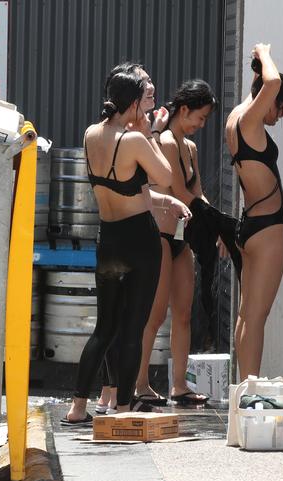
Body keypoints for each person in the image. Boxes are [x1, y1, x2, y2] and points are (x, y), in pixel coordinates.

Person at [63, 63, 191, 424]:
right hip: (139, 240)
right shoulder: (134, 140)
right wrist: (150, 133)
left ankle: (76, 408)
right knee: (132, 328)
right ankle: (121, 408)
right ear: (133, 103)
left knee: (104, 329)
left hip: (108, 238)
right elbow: (165, 177)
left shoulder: (91, 134)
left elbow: (137, 187)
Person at [133, 79, 223, 406]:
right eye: (199, 117)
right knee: (155, 315)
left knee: (183, 312)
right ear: (183, 110)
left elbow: (197, 193)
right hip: (160, 234)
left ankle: (179, 385)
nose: (201, 124)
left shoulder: (190, 147)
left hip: (182, 238)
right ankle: (139, 382)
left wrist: (217, 225)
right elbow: (178, 192)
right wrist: (218, 224)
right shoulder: (167, 140)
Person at [224, 43, 283, 380]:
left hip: (249, 228)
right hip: (266, 231)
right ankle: (250, 394)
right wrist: (265, 52)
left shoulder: (236, 117)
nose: (280, 115)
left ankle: (245, 390)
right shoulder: (252, 121)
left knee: (246, 316)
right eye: (281, 108)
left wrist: (258, 67)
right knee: (256, 317)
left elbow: (263, 85)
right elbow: (270, 85)